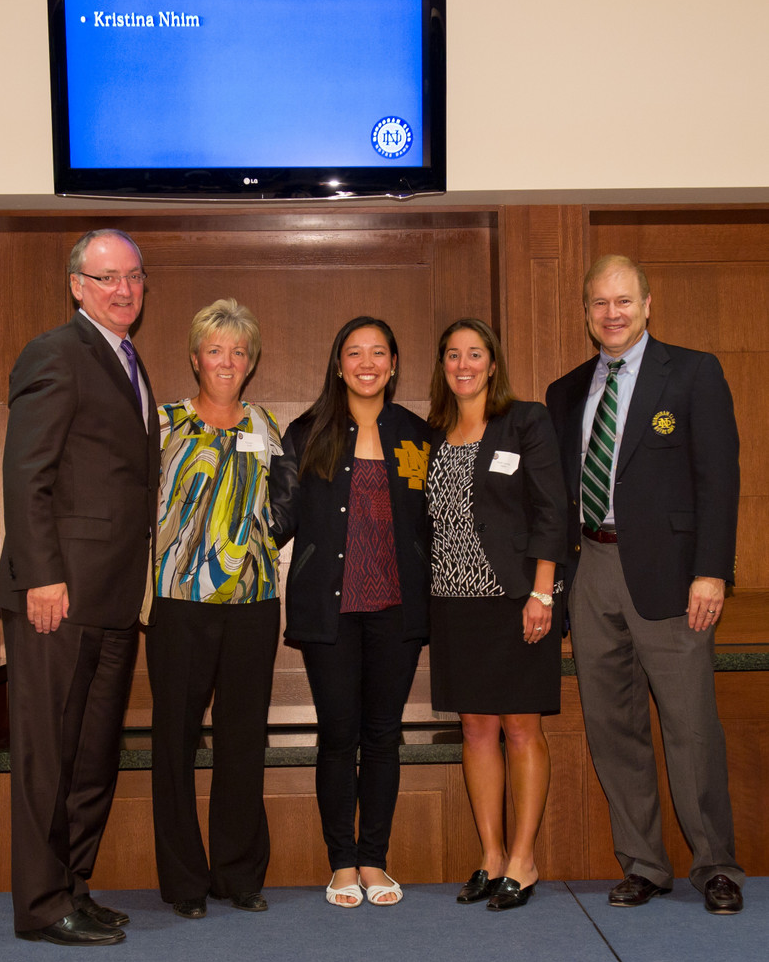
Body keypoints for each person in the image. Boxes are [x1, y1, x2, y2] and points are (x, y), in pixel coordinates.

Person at [545, 254, 744, 914]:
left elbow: (718, 480)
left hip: (672, 576)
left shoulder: (691, 372)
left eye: (623, 301)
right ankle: (643, 863)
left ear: (647, 304)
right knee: (612, 727)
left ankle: (714, 864)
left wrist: (710, 570)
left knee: (690, 727)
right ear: (584, 312)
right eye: (599, 303)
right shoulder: (565, 391)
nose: (611, 313)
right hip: (591, 570)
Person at [0, 229, 159, 945]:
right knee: (47, 755)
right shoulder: (55, 353)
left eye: (132, 276)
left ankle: (73, 887)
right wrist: (42, 575)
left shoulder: (127, 360)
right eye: (106, 277)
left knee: (91, 754)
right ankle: (39, 906)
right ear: (76, 285)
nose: (122, 289)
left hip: (114, 597)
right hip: (56, 597)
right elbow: (26, 472)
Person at [269, 316, 430, 907]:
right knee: (338, 736)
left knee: (385, 737)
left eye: (379, 352)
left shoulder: (418, 434)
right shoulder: (307, 431)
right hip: (328, 611)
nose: (367, 363)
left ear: (394, 363)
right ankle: (340, 862)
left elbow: (439, 521)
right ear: (338, 365)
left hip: (397, 608)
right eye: (355, 353)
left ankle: (373, 860)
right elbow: (279, 518)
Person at [145, 299, 281, 920]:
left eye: (238, 351)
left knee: (242, 738)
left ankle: (237, 873)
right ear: (196, 357)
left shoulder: (266, 424)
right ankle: (183, 883)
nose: (227, 361)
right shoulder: (164, 422)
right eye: (216, 350)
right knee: (174, 741)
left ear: (249, 362)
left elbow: (283, 507)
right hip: (180, 602)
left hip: (253, 603)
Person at [427, 318, 567, 912]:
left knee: (521, 729)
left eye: (475, 354)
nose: (464, 364)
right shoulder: (433, 433)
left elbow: (552, 508)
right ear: (443, 365)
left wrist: (543, 593)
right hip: (453, 602)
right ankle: (489, 855)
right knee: (476, 730)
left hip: (516, 601)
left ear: (492, 362)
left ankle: (523, 859)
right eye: (453, 355)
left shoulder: (525, 420)